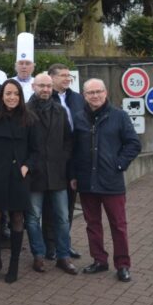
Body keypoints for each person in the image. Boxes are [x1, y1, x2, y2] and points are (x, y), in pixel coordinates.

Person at [73, 78, 142, 282]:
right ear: (84, 96)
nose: (95, 96)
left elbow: (133, 144)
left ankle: (123, 265)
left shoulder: (119, 116)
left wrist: (118, 165)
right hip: (87, 181)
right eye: (90, 92)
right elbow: (73, 150)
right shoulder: (78, 118)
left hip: (111, 181)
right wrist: (74, 174)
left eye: (98, 91)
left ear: (105, 93)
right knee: (92, 224)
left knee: (118, 225)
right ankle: (99, 260)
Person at [0, 80, 40, 283]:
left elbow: (36, 150)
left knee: (17, 218)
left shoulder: (30, 119)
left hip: (18, 176)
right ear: (1, 96)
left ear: (20, 96)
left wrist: (26, 167)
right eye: (8, 93)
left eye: (15, 94)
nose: (12, 97)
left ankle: (13, 265)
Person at [24, 74, 77, 274]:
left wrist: (62, 158)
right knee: (33, 217)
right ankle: (38, 255)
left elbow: (68, 139)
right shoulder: (24, 111)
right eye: (41, 86)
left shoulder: (60, 110)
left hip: (57, 173)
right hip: (34, 173)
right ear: (33, 86)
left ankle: (63, 256)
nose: (45, 89)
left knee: (62, 217)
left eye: (48, 86)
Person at [48, 62, 84, 260]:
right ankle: (50, 245)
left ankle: (65, 243)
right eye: (62, 75)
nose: (67, 78)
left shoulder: (77, 98)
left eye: (68, 75)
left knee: (68, 205)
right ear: (52, 77)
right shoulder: (46, 97)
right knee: (51, 205)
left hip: (73, 158)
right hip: (52, 159)